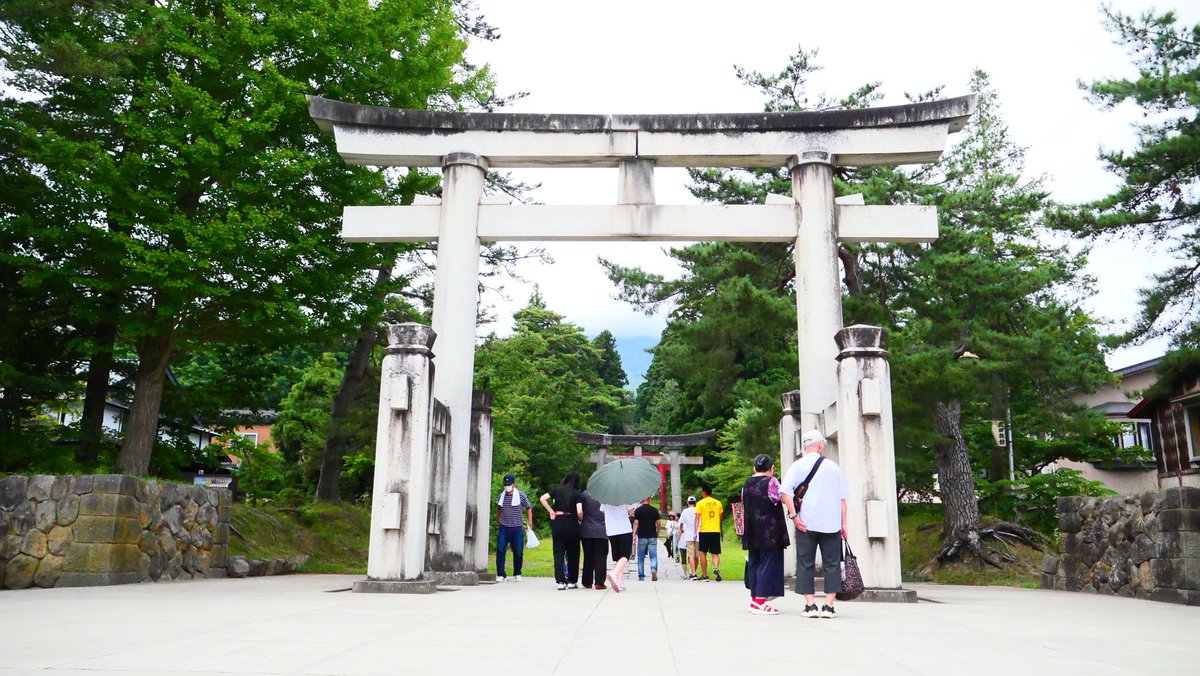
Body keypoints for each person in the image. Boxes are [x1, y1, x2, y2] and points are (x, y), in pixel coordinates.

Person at [780, 429, 850, 619]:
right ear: (820, 445)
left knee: (805, 563)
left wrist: (794, 517)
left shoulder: (798, 466)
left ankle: (810, 605)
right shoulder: (834, 467)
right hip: (831, 524)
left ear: (804, 447)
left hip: (806, 523)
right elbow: (842, 500)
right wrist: (844, 524)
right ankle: (828, 606)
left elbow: (785, 492)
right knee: (833, 564)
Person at [741, 453, 790, 615]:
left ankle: (755, 599)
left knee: (755, 564)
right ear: (772, 468)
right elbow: (779, 498)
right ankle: (761, 601)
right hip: (769, 532)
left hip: (751, 531)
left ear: (754, 468)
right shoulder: (772, 481)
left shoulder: (746, 484)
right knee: (767, 565)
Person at [540, 471, 584, 590]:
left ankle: (560, 581)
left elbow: (542, 498)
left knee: (558, 553)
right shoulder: (577, 494)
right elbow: (579, 511)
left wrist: (551, 511)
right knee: (573, 553)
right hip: (572, 523)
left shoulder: (556, 490)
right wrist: (581, 519)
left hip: (558, 522)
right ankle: (572, 581)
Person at [496, 473, 534, 582]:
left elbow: (528, 508)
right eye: (505, 484)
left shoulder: (521, 495)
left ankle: (517, 572)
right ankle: (501, 574)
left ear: (514, 484)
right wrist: (498, 519)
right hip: (504, 527)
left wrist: (530, 522)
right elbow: (499, 508)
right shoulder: (501, 496)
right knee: (500, 549)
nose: (507, 486)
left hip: (517, 528)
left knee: (518, 551)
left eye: (509, 484)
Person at [600, 502, 634, 593]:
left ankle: (620, 582)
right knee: (626, 555)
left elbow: (602, 510)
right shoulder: (625, 497)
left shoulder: (605, 499)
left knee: (618, 557)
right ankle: (613, 573)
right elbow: (631, 512)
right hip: (624, 529)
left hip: (611, 530)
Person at [578, 489, 609, 590]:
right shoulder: (606, 495)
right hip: (602, 530)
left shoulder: (583, 495)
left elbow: (579, 511)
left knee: (588, 556)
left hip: (586, 530)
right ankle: (599, 582)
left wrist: (583, 520)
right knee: (601, 556)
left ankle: (587, 582)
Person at [695, 485, 724, 581]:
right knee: (715, 553)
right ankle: (716, 568)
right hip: (715, 531)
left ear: (704, 492)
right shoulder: (718, 503)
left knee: (703, 552)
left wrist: (695, 532)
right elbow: (720, 517)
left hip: (704, 531)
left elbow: (697, 518)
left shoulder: (700, 503)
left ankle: (705, 575)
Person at [632, 497, 661, 581]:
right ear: (649, 500)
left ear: (642, 499)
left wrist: (634, 534)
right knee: (653, 556)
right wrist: (658, 532)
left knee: (640, 556)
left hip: (642, 535)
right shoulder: (654, 510)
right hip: (652, 535)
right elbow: (658, 523)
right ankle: (653, 569)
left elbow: (636, 523)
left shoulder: (638, 510)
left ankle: (641, 575)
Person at [678, 496, 699, 578]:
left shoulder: (685, 511)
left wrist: (681, 529)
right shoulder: (698, 510)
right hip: (697, 535)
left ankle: (693, 573)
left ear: (688, 502)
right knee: (697, 555)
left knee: (691, 555)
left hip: (688, 535)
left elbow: (681, 523)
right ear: (695, 502)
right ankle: (693, 571)